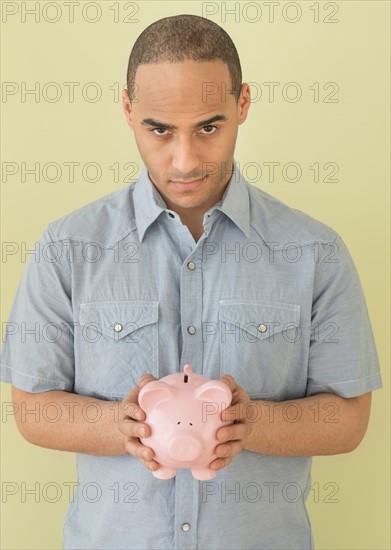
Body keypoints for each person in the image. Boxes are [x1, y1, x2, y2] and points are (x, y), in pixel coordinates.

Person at [0, 14, 383, 550]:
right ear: (128, 110)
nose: (185, 160)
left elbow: (348, 419)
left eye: (209, 126)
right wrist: (123, 424)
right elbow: (33, 408)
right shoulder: (67, 247)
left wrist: (251, 424)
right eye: (159, 129)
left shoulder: (316, 253)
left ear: (243, 105)